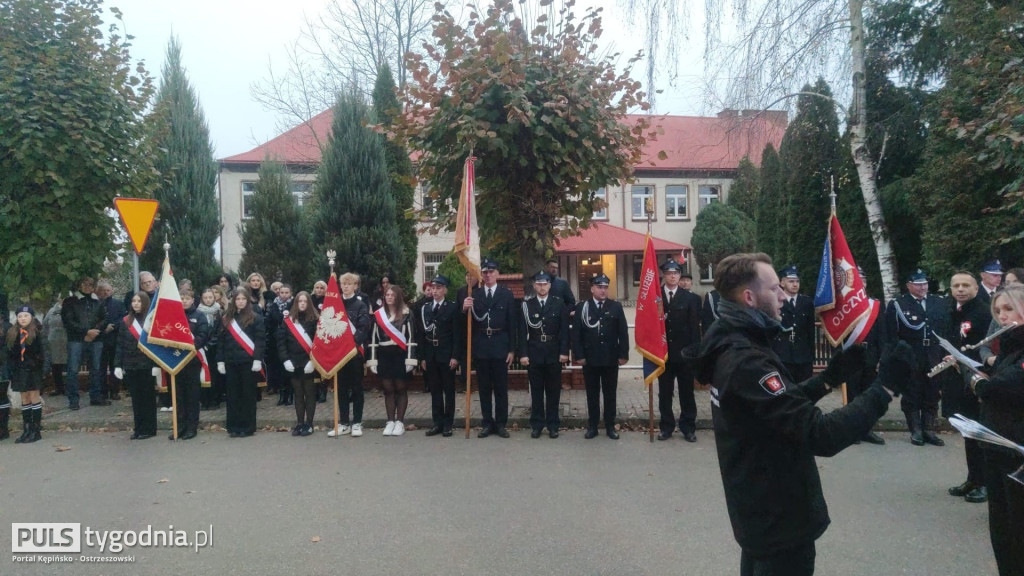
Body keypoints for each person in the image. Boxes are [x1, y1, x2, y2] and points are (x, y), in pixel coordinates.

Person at [691, 252, 913, 576]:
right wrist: (884, 390)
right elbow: (819, 434)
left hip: (761, 515)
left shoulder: (735, 341)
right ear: (750, 298)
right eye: (775, 289)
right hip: (778, 521)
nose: (783, 295)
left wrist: (827, 379)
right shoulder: (746, 360)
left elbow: (777, 409)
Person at [970, 284, 1024, 576]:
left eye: (1010, 309)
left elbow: (1006, 388)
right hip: (996, 444)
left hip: (1017, 449)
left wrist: (977, 382)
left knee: (1018, 529)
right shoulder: (1009, 345)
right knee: (1001, 527)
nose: (1002, 317)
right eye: (999, 311)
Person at [882, 269, 950, 446]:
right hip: (911, 353)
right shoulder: (899, 303)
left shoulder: (938, 302)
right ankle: (916, 430)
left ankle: (929, 430)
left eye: (924, 283)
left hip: (934, 353)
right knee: (912, 391)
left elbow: (945, 330)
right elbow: (892, 335)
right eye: (918, 284)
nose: (922, 287)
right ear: (909, 285)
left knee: (933, 391)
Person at [943, 272, 991, 503]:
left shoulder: (983, 312)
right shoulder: (953, 310)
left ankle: (985, 482)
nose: (960, 289)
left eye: (965, 285)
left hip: (977, 377)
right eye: (956, 285)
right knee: (967, 431)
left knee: (979, 433)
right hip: (958, 378)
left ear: (975, 287)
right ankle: (973, 478)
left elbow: (984, 347)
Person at [462, 258, 516, 438]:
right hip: (482, 345)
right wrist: (464, 309)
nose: (488, 275)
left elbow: (512, 324)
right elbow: (465, 325)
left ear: (497, 274)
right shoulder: (474, 295)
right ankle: (487, 423)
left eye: (491, 271)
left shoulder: (506, 294)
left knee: (501, 388)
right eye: (485, 272)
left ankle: (501, 424)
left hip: (500, 343)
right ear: (481, 275)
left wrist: (512, 350)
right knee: (484, 388)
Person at [571, 274, 629, 439]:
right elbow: (576, 334)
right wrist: (579, 355)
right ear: (592, 289)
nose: (603, 290)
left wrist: (623, 355)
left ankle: (610, 426)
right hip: (590, 359)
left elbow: (623, 333)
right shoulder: (583, 307)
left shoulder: (615, 307)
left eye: (605, 287)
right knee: (592, 394)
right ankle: (593, 426)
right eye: (599, 287)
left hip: (611, 358)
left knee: (610, 394)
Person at [516, 271, 570, 438]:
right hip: (534, 352)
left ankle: (553, 425)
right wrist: (523, 354)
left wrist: (564, 352)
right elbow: (522, 331)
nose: (542, 287)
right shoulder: (527, 305)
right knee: (537, 391)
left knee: (554, 391)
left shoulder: (559, 303)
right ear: (534, 286)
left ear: (549, 285)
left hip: (553, 352)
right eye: (538, 284)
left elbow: (564, 331)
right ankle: (537, 424)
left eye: (545, 284)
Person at [657, 260, 702, 442]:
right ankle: (666, 427)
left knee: (687, 393)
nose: (673, 276)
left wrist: (694, 354)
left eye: (676, 273)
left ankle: (688, 428)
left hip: (684, 355)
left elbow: (694, 330)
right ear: (664, 275)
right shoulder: (656, 297)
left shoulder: (691, 299)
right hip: (663, 354)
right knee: (665, 393)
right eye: (669, 273)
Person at [326, 273, 372, 438]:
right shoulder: (335, 304)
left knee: (357, 388)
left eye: (349, 284)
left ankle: (357, 422)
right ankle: (344, 422)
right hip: (339, 353)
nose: (345, 286)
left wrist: (351, 345)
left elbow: (363, 327)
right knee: (341, 389)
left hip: (354, 354)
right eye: (343, 284)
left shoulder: (360, 305)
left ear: (355, 286)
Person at [217, 289, 266, 438]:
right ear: (234, 301)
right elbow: (221, 342)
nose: (240, 301)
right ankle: (234, 427)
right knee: (233, 396)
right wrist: (220, 361)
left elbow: (260, 340)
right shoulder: (226, 318)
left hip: (248, 362)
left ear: (247, 301)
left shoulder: (255, 318)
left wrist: (257, 359)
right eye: (237, 299)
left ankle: (248, 426)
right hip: (231, 362)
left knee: (247, 395)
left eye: (243, 299)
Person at [416, 275, 461, 437]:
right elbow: (421, 335)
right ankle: (437, 423)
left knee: (448, 390)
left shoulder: (452, 308)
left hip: (446, 354)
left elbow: (457, 334)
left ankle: (448, 424)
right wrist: (422, 357)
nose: (435, 291)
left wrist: (455, 356)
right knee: (434, 390)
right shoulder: (425, 308)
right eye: (433, 288)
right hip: (431, 354)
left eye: (438, 288)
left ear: (445, 290)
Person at [371, 285, 415, 436]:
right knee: (388, 388)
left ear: (398, 297)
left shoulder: (406, 313)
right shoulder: (378, 315)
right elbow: (373, 339)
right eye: (387, 294)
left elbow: (411, 338)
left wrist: (411, 359)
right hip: (384, 354)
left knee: (401, 387)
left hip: (400, 354)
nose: (389, 297)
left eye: (392, 295)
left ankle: (400, 422)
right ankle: (390, 421)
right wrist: (373, 360)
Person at [114, 292, 159, 440]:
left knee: (148, 398)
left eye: (139, 301)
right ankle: (138, 428)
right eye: (134, 301)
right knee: (136, 399)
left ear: (145, 303)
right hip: (130, 364)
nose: (136, 304)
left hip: (146, 365)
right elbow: (119, 344)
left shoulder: (151, 320)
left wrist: (155, 365)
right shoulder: (126, 321)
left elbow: (156, 345)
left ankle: (150, 428)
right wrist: (118, 365)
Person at [61, 276, 110, 409]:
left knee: (96, 369)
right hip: (76, 340)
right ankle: (73, 400)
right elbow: (68, 321)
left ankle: (96, 397)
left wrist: (95, 331)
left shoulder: (98, 301)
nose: (88, 286)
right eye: (85, 284)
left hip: (96, 339)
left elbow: (105, 318)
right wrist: (86, 332)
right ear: (79, 285)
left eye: (91, 284)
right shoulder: (70, 301)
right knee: (72, 370)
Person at [277, 291, 319, 437]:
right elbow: (281, 342)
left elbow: (319, 343)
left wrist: (313, 361)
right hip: (293, 362)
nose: (302, 303)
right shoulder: (288, 320)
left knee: (310, 393)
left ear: (309, 303)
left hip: (309, 362)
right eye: (299, 301)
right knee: (298, 394)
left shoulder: (315, 319)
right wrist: (285, 359)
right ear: (295, 303)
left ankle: (309, 424)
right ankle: (300, 423)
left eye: (305, 301)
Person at [172, 290, 211, 440]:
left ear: (192, 300)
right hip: (175, 361)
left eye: (187, 298)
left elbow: (202, 335)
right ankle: (180, 426)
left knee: (192, 396)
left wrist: (188, 348)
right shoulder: (174, 316)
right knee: (178, 397)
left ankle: (191, 427)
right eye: (181, 299)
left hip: (192, 361)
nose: (184, 301)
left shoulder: (199, 316)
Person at [7, 306, 46, 443]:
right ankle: (27, 429)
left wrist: (40, 367)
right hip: (19, 370)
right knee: (24, 398)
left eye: (26, 316)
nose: (23, 318)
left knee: (34, 396)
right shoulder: (13, 333)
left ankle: (36, 430)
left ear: (31, 317)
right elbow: (10, 353)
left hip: (33, 369)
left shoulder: (37, 331)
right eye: (20, 316)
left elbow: (43, 352)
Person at [771, 266, 816, 383]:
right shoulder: (776, 301)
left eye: (797, 281)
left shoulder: (806, 302)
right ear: (782, 283)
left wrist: (811, 355)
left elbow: (810, 330)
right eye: (791, 281)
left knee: (804, 391)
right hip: (782, 355)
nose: (795, 284)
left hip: (803, 356)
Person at [266, 283, 294, 406]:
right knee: (279, 368)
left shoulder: (294, 305)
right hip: (276, 340)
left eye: (286, 293)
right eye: (281, 292)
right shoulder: (274, 305)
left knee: (289, 369)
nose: (283, 295)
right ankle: (282, 394)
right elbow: (271, 320)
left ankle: (289, 394)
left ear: (291, 293)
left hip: (290, 340)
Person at [96, 280, 124, 400]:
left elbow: (123, 318)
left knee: (115, 366)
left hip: (114, 339)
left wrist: (113, 326)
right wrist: (103, 329)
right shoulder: (95, 304)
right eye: (103, 291)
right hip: (99, 339)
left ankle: (115, 391)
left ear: (112, 291)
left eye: (108, 290)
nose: (106, 293)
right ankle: (102, 392)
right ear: (98, 292)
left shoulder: (118, 303)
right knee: (100, 367)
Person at [199, 288, 225, 410]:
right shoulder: (198, 312)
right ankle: (204, 400)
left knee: (215, 375)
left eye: (210, 297)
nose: (208, 300)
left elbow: (220, 331)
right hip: (201, 348)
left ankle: (215, 400)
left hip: (215, 348)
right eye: (205, 298)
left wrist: (210, 344)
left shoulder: (220, 312)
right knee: (203, 373)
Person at [41, 300, 68, 397]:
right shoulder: (51, 311)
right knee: (56, 366)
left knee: (69, 366)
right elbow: (45, 325)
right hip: (53, 343)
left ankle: (68, 388)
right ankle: (59, 388)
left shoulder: (72, 310)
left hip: (67, 342)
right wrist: (46, 339)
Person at [0, 313, 10, 441]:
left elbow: (7, 350)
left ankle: (3, 428)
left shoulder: (7, 329)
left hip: (2, 368)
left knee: (1, 397)